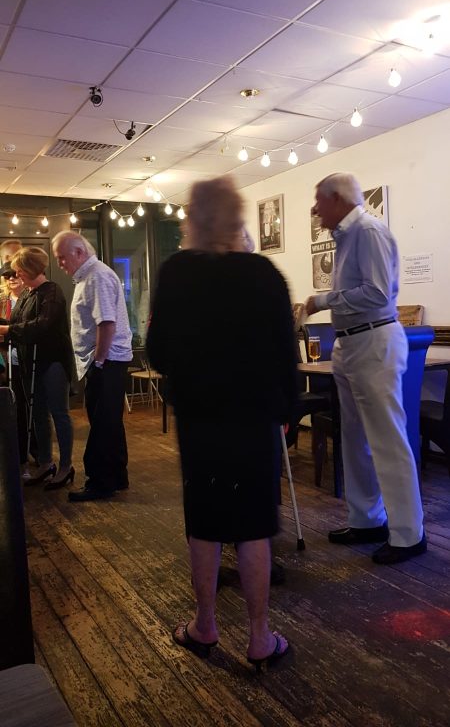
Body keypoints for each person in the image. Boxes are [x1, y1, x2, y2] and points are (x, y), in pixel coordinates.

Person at [147, 176, 298, 669]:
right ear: (237, 219)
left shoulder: (176, 273)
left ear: (193, 219)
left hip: (201, 418)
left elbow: (159, 353)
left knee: (206, 522)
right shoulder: (266, 275)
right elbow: (284, 358)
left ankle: (205, 625)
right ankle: (260, 636)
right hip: (254, 419)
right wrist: (285, 416)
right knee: (255, 524)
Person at [304, 172, 426, 565]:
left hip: (373, 341)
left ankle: (409, 533)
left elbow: (378, 292)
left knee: (387, 439)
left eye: (318, 201)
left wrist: (323, 300)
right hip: (353, 343)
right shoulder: (346, 237)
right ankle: (367, 519)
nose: (315, 209)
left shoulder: (369, 232)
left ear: (336, 198)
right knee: (354, 438)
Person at [51, 231, 132, 502]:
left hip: (105, 361)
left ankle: (100, 483)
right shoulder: (90, 276)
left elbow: (106, 323)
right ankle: (117, 477)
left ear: (79, 252)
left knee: (101, 424)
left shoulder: (96, 276)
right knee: (109, 422)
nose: (61, 263)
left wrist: (98, 361)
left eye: (62, 257)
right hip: (107, 361)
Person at [0, 248, 74, 488]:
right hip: (31, 362)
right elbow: (16, 323)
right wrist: (7, 327)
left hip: (52, 362)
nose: (16, 273)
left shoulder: (52, 291)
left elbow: (42, 325)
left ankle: (65, 466)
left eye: (20, 269)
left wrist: (8, 330)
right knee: (39, 415)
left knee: (59, 414)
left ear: (31, 268)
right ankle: (45, 462)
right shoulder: (27, 294)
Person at [0, 261, 39, 474]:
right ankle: (14, 450)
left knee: (29, 408)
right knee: (12, 407)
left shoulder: (30, 298)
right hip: (7, 359)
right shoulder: (2, 301)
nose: (11, 279)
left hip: (25, 358)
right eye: (7, 277)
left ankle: (33, 450)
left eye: (15, 275)